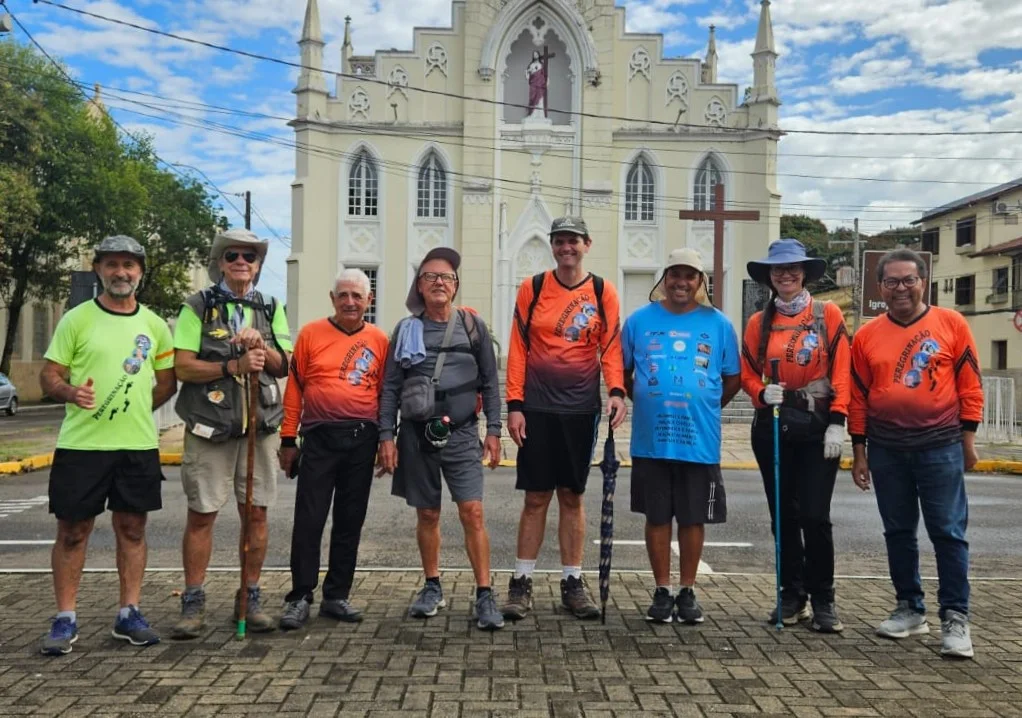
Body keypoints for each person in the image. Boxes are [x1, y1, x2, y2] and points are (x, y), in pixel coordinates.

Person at [38, 235, 177, 655]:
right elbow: (50, 374)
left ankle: (128, 613)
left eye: (129, 265)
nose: (121, 272)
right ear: (98, 268)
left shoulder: (153, 325)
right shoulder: (77, 319)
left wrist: (133, 410)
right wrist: (71, 392)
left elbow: (167, 383)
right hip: (82, 446)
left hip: (136, 446)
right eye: (112, 264)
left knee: (133, 530)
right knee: (73, 531)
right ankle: (65, 618)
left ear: (140, 272)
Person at [850, 248, 982, 659]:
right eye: (892, 281)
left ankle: (956, 618)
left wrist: (968, 439)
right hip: (887, 449)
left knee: (947, 532)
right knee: (899, 532)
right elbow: (858, 397)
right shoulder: (867, 336)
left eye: (909, 280)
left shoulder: (951, 323)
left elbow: (970, 385)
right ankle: (909, 607)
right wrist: (859, 450)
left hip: (940, 446)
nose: (901, 288)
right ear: (880, 288)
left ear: (924, 282)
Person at [501, 216, 627, 621]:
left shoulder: (603, 290)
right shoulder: (532, 287)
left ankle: (573, 581)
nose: (566, 248)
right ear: (552, 246)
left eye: (573, 240)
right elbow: (518, 346)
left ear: (586, 244)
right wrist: (514, 403)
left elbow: (609, 345)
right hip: (537, 407)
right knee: (536, 496)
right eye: (559, 241)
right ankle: (521, 581)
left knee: (572, 496)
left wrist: (616, 391)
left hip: (580, 409)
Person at [170, 228, 292, 638]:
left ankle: (250, 596)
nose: (242, 262)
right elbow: (183, 367)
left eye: (250, 257)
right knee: (202, 515)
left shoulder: (271, 306)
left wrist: (263, 347)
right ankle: (193, 601)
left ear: (258, 266)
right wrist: (231, 367)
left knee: (256, 515)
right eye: (234, 256)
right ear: (221, 262)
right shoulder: (197, 307)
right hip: (210, 428)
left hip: (260, 428)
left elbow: (284, 365)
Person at [377, 247, 505, 631]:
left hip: (463, 432)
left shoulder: (472, 327)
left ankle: (484, 593)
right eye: (431, 277)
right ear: (419, 286)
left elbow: (490, 382)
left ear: (456, 286)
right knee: (428, 513)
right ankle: (432, 585)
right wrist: (386, 435)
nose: (439, 283)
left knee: (473, 512)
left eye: (446, 277)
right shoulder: (405, 330)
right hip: (416, 434)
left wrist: (494, 431)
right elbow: (389, 387)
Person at [622, 248, 741, 624]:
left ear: (701, 282)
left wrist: (704, 402)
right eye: (675, 274)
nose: (682, 283)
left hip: (700, 440)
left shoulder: (718, 323)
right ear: (664, 279)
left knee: (692, 519)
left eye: (690, 276)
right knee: (657, 516)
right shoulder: (639, 320)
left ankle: (687, 590)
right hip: (651, 440)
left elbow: (732, 377)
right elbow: (623, 370)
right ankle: (661, 589)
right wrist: (644, 397)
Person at [740, 238, 850, 633]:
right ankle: (792, 593)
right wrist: (757, 392)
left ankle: (823, 599)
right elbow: (748, 370)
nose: (785, 274)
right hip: (772, 424)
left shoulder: (827, 314)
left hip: (819, 424)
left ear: (804, 272)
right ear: (769, 276)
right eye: (777, 269)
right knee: (783, 515)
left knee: (815, 515)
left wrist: (839, 419)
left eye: (792, 268)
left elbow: (842, 368)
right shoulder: (759, 322)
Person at [277, 269, 389, 629]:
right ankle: (300, 596)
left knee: (349, 520)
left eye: (357, 296)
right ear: (332, 298)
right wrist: (287, 439)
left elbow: (387, 394)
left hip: (362, 438)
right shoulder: (310, 334)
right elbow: (294, 389)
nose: (350, 302)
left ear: (369, 300)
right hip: (319, 438)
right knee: (309, 519)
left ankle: (336, 595)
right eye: (344, 295)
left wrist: (388, 438)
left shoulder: (379, 340)